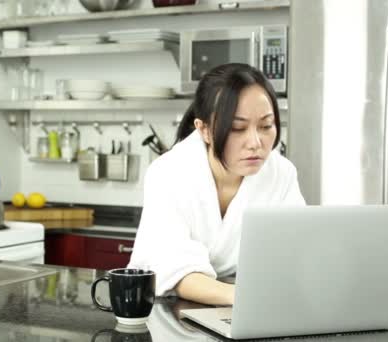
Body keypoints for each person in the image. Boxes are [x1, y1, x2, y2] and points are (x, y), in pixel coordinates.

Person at [127, 63, 306, 306]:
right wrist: (248, 299)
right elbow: (175, 269)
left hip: (248, 308)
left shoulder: (281, 174)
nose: (255, 142)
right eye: (237, 128)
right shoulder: (169, 172)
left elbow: (296, 254)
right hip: (170, 310)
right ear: (204, 130)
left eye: (265, 126)